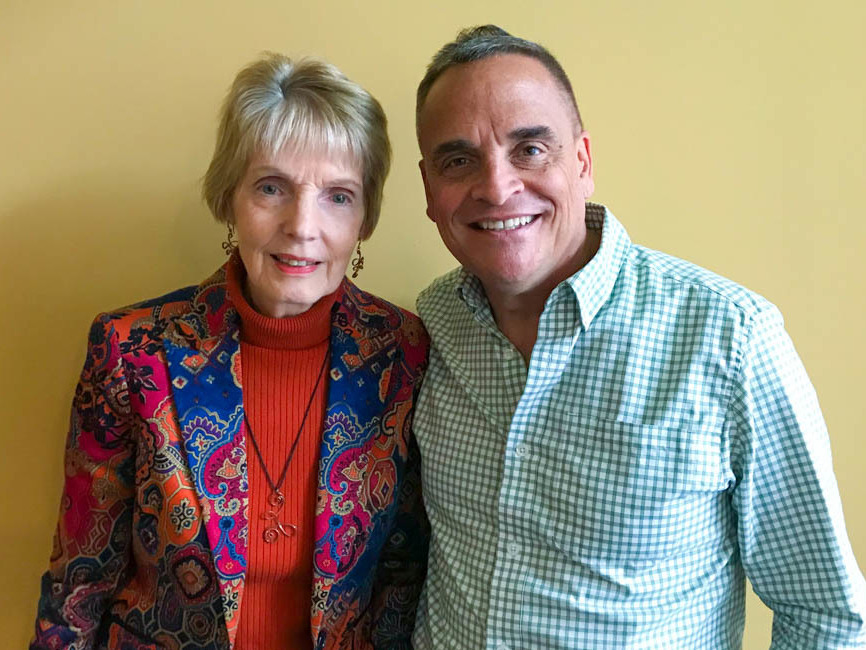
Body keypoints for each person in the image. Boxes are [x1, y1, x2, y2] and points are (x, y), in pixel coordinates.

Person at [411, 25, 866, 649]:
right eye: (459, 159)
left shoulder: (730, 340)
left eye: (531, 149)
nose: (496, 186)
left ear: (583, 162)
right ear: (429, 190)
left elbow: (824, 616)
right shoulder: (429, 326)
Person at [31, 53, 428, 650]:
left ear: (365, 219)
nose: (302, 225)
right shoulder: (131, 351)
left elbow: (402, 579)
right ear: (229, 198)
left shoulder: (402, 354)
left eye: (338, 196)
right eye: (272, 187)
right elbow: (78, 583)